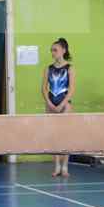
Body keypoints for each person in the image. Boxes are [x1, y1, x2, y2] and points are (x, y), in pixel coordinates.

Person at [42, 37, 76, 178]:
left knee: (65, 135)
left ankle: (65, 166)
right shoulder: (48, 69)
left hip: (65, 104)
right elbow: (44, 88)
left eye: (55, 50)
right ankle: (56, 166)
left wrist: (62, 104)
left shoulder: (70, 68)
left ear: (63, 50)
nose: (52, 53)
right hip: (51, 103)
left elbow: (72, 89)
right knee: (53, 135)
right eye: (51, 50)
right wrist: (49, 103)